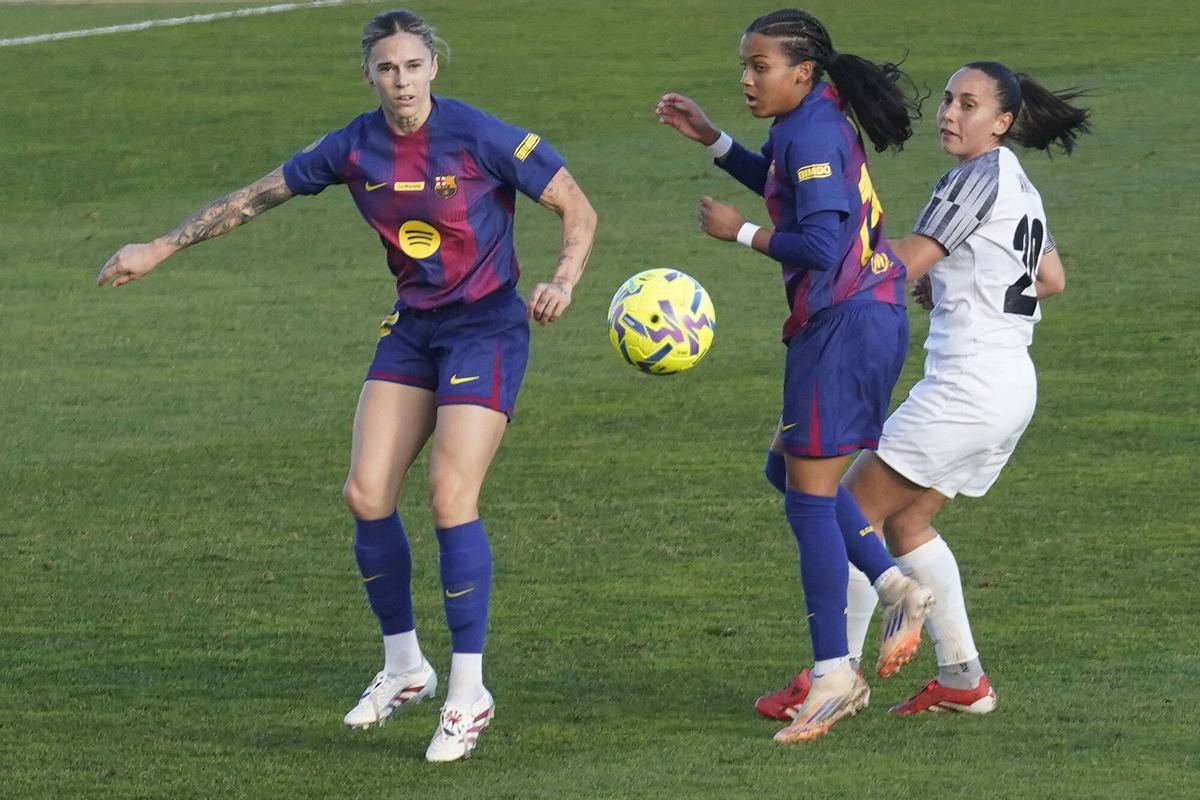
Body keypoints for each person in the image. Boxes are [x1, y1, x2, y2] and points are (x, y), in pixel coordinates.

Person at [97, 9, 596, 762]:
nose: (401, 80)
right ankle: (405, 669)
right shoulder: (353, 147)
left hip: (487, 328)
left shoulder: (480, 134)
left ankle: (469, 693)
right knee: (365, 494)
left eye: (413, 66)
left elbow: (576, 205)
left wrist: (562, 279)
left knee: (449, 496)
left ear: (434, 68)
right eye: (387, 69)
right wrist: (161, 248)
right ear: (370, 76)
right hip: (415, 328)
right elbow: (257, 195)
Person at [655, 8, 934, 742]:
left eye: (760, 67)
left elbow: (817, 239)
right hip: (857, 321)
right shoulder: (809, 119)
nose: (748, 79)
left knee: (808, 500)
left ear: (802, 71)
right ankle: (894, 582)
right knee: (790, 472)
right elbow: (786, 182)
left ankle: (834, 676)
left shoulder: (809, 130)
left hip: (842, 326)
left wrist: (737, 232)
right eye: (744, 66)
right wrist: (714, 139)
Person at [831, 61, 1087, 715]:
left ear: (1002, 122)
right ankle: (963, 679)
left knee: (848, 513)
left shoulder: (973, 179)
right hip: (1011, 386)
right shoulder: (1018, 184)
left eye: (968, 104)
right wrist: (949, 279)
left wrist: (810, 255)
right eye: (948, 100)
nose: (950, 112)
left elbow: (904, 260)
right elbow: (1049, 278)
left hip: (968, 386)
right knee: (908, 522)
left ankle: (835, 681)